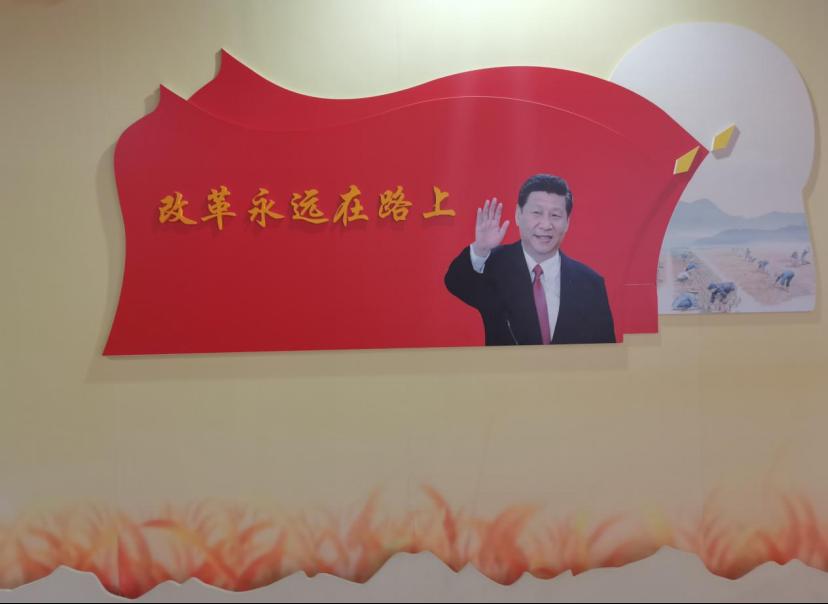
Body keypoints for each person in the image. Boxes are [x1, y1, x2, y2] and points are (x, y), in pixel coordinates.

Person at [444, 173, 615, 345]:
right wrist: (480, 248)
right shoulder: (494, 265)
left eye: (555, 215)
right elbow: (455, 282)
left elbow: (607, 352)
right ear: (518, 215)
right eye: (537, 213)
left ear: (567, 222)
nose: (546, 225)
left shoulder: (590, 283)